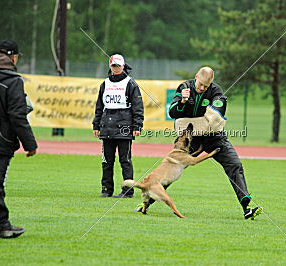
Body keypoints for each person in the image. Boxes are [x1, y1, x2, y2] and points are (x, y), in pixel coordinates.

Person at [139, 67, 261, 220]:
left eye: (206, 86)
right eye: (201, 84)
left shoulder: (216, 91)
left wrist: (210, 114)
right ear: (196, 76)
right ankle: (147, 202)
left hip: (215, 138)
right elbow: (173, 113)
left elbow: (217, 112)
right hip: (191, 140)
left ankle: (246, 206)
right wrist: (182, 101)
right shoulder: (184, 88)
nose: (203, 88)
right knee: (170, 168)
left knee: (234, 164)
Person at [0, 40, 38, 239]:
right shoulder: (13, 81)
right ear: (14, 57)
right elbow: (17, 115)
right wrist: (30, 144)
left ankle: (3, 225)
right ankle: (2, 225)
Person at [93, 54, 144, 198]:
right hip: (107, 127)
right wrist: (96, 125)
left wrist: (137, 125)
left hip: (124, 127)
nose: (116, 68)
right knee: (106, 161)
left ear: (123, 66)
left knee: (125, 161)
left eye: (118, 66)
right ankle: (106, 190)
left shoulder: (131, 83)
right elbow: (99, 106)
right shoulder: (104, 84)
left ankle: (128, 191)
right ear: (110, 67)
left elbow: (137, 106)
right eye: (113, 66)